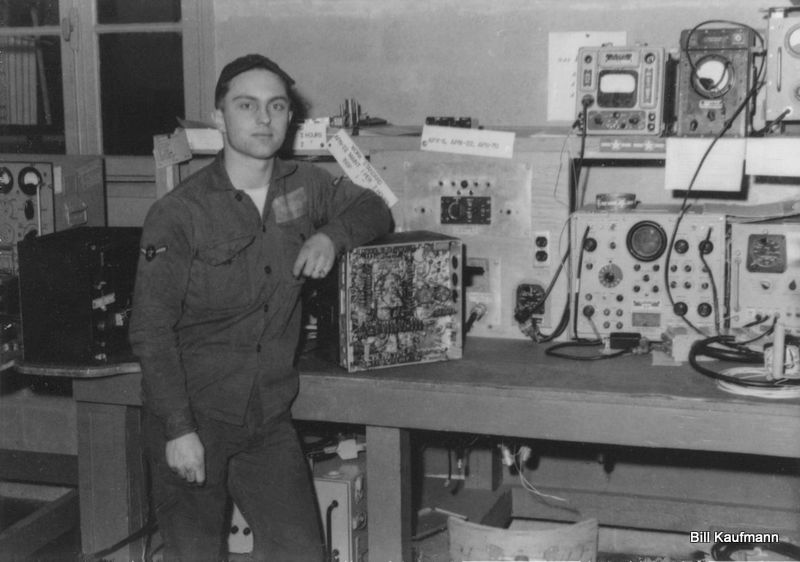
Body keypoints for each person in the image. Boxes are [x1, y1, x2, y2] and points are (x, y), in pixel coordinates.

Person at [129, 54, 392, 561]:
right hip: (194, 414)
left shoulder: (305, 185)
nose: (264, 118)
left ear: (290, 117)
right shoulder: (179, 213)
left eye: (276, 106)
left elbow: (375, 206)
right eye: (246, 105)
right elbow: (151, 329)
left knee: (301, 553)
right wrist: (180, 430)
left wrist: (331, 237)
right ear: (218, 116)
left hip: (267, 416)